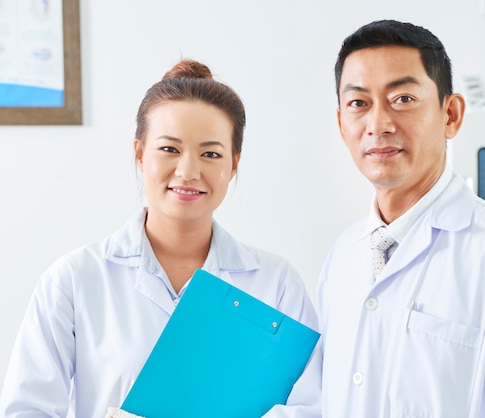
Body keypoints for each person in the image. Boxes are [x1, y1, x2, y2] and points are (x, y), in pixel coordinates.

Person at [312, 19, 485, 417]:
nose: (378, 124)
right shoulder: (343, 258)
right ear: (342, 125)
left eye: (403, 99)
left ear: (451, 115)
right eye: (359, 103)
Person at [0, 59, 318, 417]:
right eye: (169, 149)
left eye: (211, 154)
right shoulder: (73, 279)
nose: (188, 171)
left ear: (234, 165)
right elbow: (27, 410)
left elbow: (312, 406)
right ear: (139, 153)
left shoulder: (276, 283)